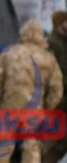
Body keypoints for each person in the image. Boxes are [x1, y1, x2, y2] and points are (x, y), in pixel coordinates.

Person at [0, 20, 63, 163]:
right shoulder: (48, 58)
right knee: (31, 148)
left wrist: (0, 101)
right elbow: (56, 90)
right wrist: (46, 108)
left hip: (10, 105)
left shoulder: (9, 53)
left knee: (4, 145)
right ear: (40, 37)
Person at [43, 11, 67, 163]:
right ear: (61, 23)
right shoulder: (53, 43)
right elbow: (53, 74)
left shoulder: (63, 42)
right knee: (54, 142)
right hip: (58, 100)